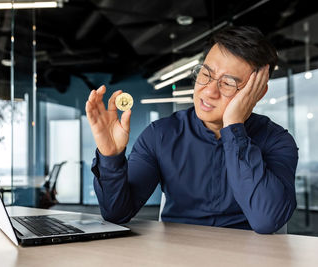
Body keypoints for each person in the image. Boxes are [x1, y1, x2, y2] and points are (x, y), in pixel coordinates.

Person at [85, 26, 298, 234]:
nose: (209, 91)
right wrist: (110, 156)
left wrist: (234, 126)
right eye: (205, 74)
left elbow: (266, 221)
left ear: (258, 93)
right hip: (177, 253)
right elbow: (117, 214)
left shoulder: (277, 141)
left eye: (228, 83)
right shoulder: (161, 134)